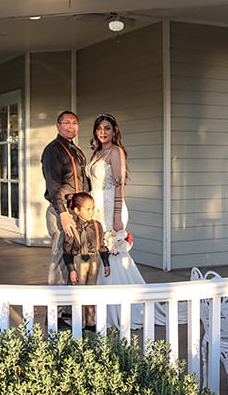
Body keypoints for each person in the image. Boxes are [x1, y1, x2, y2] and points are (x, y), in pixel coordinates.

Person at [89, 113, 146, 329]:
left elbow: (120, 185)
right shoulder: (98, 152)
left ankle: (119, 311)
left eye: (107, 128)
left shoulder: (116, 152)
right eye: (99, 128)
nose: (103, 132)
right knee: (103, 255)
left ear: (114, 131)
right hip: (96, 208)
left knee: (112, 255)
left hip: (112, 207)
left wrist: (116, 215)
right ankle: (104, 307)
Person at [41, 110, 89, 285]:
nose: (71, 126)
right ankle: (56, 308)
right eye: (67, 122)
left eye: (74, 123)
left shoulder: (75, 150)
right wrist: (62, 213)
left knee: (74, 257)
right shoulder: (52, 150)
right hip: (61, 210)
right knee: (60, 255)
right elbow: (53, 186)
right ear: (58, 126)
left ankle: (70, 306)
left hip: (76, 209)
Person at [62, 192, 110, 330]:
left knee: (91, 291)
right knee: (79, 292)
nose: (91, 212)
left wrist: (106, 263)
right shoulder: (72, 227)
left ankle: (90, 321)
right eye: (87, 209)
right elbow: (67, 250)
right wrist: (71, 269)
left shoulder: (97, 225)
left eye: (93, 208)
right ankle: (79, 322)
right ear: (77, 210)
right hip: (78, 260)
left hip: (94, 259)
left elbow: (101, 246)